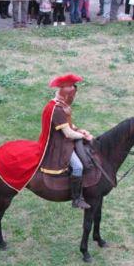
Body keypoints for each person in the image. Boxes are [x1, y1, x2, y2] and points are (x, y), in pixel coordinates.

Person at [46, 73, 93, 209]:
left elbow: (69, 126)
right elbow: (67, 133)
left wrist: (79, 130)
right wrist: (84, 136)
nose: (74, 98)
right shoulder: (58, 109)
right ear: (68, 95)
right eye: (73, 95)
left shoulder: (61, 105)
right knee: (78, 166)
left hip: (65, 138)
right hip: (59, 144)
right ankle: (76, 199)